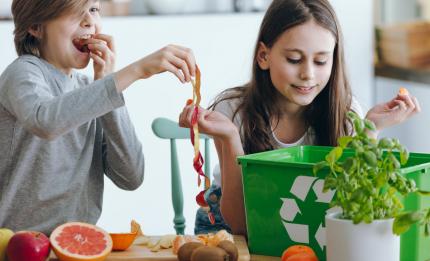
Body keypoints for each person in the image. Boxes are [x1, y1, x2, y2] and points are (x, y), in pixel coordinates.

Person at [179, 0, 420, 236]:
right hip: (229, 229)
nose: (308, 74)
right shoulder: (233, 111)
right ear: (263, 56)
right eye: (294, 59)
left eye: (321, 61)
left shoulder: (346, 113)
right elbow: (241, 225)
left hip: (308, 229)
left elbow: (351, 208)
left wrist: (371, 128)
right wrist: (230, 137)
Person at [0, 0, 196, 235]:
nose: (89, 22)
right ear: (35, 25)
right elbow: (46, 121)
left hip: (78, 242)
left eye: (94, 9)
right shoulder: (23, 73)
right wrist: (136, 71)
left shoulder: (91, 92)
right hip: (16, 244)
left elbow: (130, 176)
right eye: (74, 12)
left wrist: (107, 81)